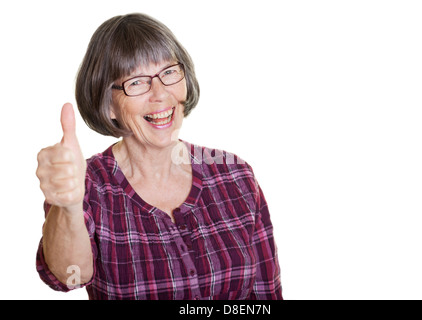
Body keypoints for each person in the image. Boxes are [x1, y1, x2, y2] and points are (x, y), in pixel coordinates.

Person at [35, 13, 282, 300]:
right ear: (108, 104)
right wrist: (69, 207)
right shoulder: (87, 183)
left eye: (168, 73)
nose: (160, 94)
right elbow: (68, 276)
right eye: (137, 82)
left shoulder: (235, 174)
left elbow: (266, 296)